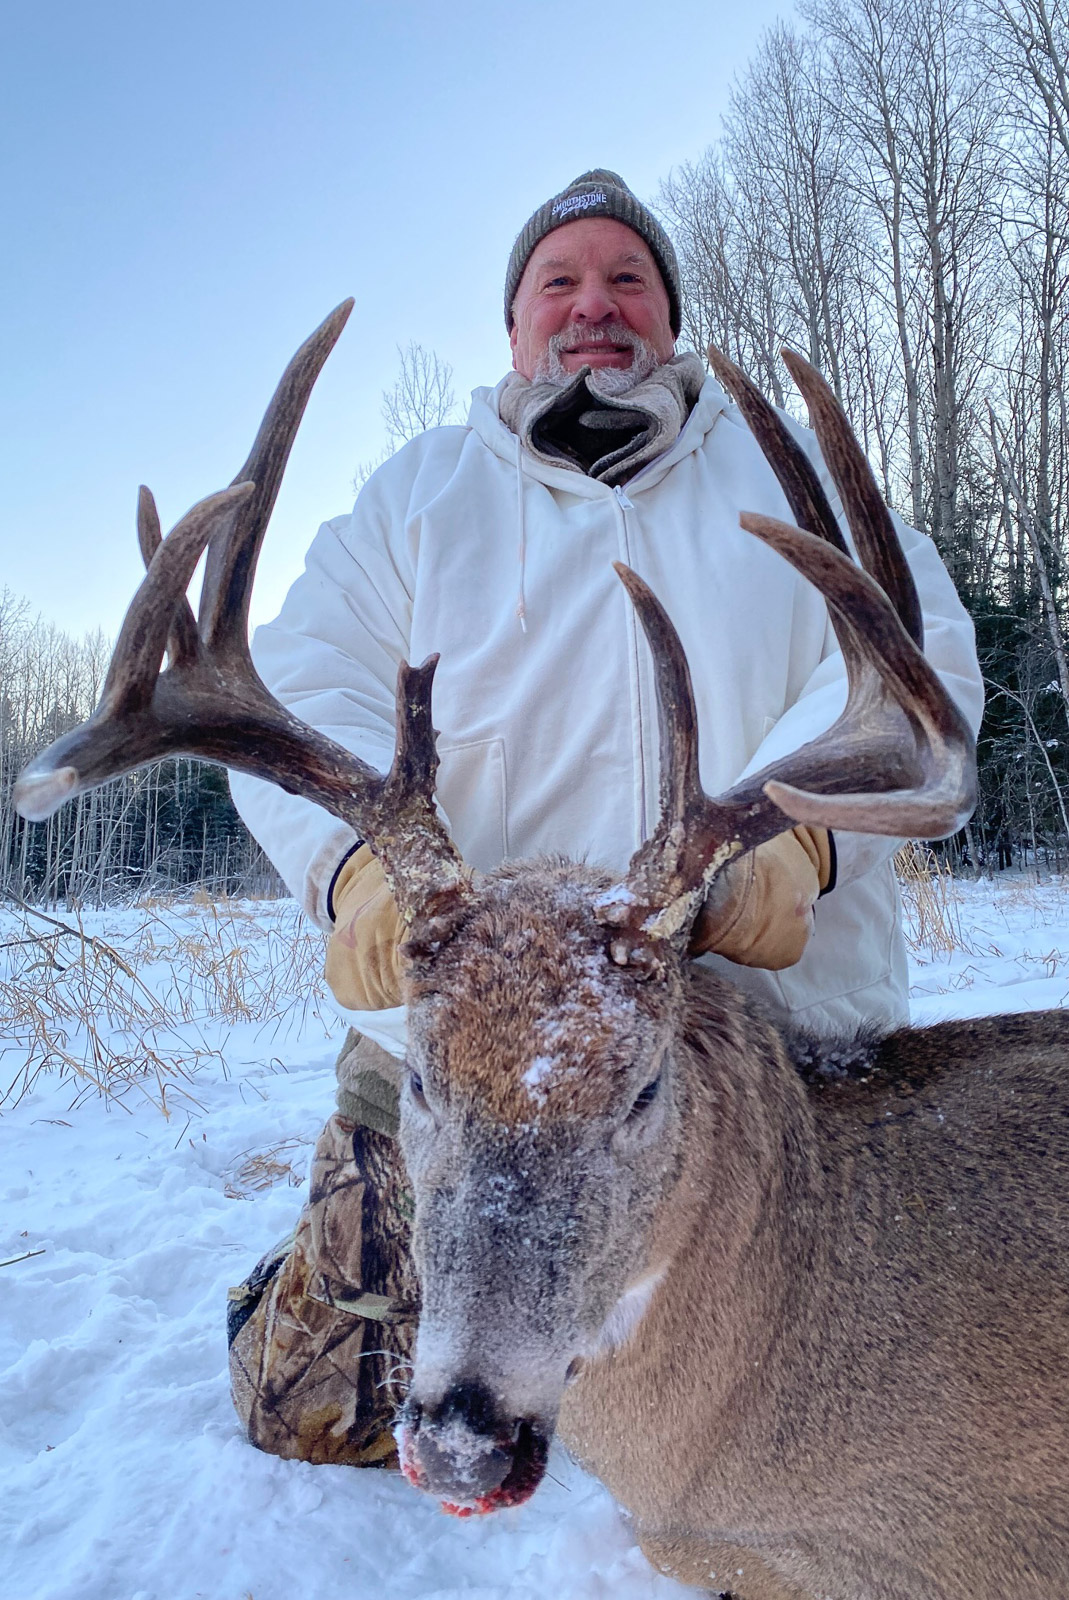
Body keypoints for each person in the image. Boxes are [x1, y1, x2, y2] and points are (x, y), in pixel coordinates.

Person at [224, 169, 985, 1467]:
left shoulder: (778, 478)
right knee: (315, 1406)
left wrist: (803, 842)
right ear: (514, 325)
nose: (595, 306)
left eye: (628, 278)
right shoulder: (420, 496)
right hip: (469, 1064)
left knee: (851, 1438)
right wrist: (353, 869)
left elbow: (922, 670)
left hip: (768, 1050)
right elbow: (299, 676)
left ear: (670, 319)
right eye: (558, 282)